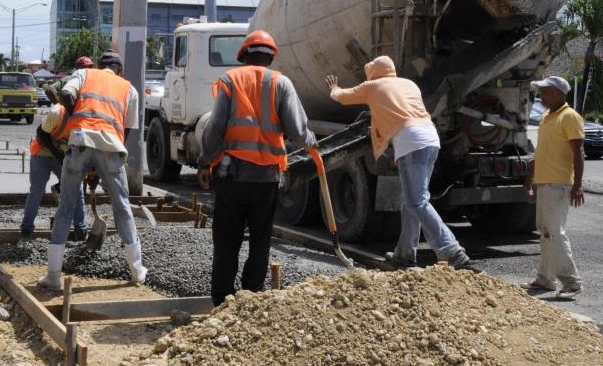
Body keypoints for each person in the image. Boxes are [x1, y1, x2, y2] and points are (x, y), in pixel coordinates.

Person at [198, 30, 317, 306]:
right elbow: (299, 131)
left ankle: (221, 300)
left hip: (232, 176)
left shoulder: (231, 79)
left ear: (243, 56)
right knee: (260, 240)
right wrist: (312, 142)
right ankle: (251, 298)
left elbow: (215, 127)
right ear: (271, 57)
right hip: (267, 178)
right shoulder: (281, 83)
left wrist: (205, 161)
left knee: (227, 240)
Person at [325, 55, 470, 269]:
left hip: (411, 143)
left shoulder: (373, 86)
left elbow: (343, 97)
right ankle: (404, 252)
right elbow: (396, 112)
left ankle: (451, 250)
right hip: (430, 139)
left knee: (417, 202)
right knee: (410, 201)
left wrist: (334, 88)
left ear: (374, 72)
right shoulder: (409, 84)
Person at [38, 50, 146, 290]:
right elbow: (127, 129)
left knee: (66, 207)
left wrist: (76, 115)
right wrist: (114, 152)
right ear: (120, 69)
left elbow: (65, 92)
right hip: (112, 147)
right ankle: (137, 271)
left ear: (99, 66)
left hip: (79, 141)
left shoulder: (84, 74)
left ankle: (53, 276)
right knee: (122, 206)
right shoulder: (129, 88)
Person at [521, 76, 584, 299]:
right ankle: (545, 279)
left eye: (545, 91)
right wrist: (530, 180)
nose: (542, 96)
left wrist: (577, 186)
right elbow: (541, 152)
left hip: (559, 184)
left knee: (556, 233)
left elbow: (578, 153)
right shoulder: (548, 117)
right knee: (547, 233)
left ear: (557, 93)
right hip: (545, 183)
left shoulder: (569, 117)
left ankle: (572, 282)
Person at [22, 86, 87, 241]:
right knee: (36, 192)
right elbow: (41, 134)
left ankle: (81, 229)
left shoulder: (84, 119)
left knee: (77, 191)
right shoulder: (57, 112)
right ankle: (26, 228)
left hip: (62, 156)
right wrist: (58, 155)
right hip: (41, 154)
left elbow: (79, 144)